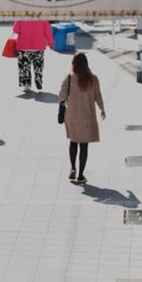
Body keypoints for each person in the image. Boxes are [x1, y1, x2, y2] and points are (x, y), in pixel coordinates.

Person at [60, 53, 105, 185]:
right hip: (87, 116)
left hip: (72, 116)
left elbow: (61, 96)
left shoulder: (69, 78)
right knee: (84, 145)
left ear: (73, 64)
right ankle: (80, 175)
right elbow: (98, 95)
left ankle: (72, 167)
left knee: (73, 142)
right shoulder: (93, 79)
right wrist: (102, 109)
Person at [12, 20, 54, 90]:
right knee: (38, 65)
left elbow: (15, 30)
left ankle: (26, 84)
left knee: (24, 66)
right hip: (39, 46)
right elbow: (48, 31)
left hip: (23, 46)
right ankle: (38, 77)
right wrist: (51, 43)